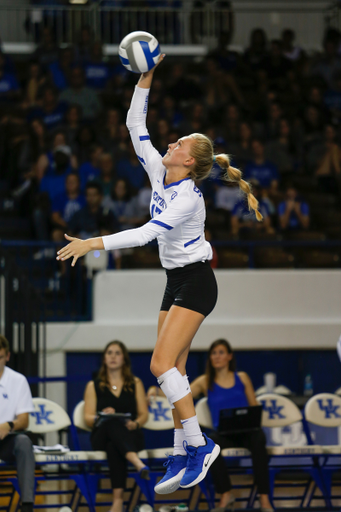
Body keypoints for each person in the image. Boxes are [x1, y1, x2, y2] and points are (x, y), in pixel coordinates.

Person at [56, 54, 262, 493]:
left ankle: (198, 446)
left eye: (181, 143)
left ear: (190, 162)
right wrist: (146, 76)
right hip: (175, 281)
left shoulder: (188, 198)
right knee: (177, 373)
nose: (172, 144)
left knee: (158, 364)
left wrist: (93, 242)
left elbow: (148, 233)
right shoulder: (158, 172)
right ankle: (181, 451)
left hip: (198, 281)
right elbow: (135, 125)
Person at [149, 339, 273, 512]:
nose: (217, 356)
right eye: (213, 353)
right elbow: (178, 395)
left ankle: (265, 499)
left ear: (230, 356)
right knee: (210, 445)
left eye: (221, 352)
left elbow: (254, 407)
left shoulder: (242, 377)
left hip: (247, 432)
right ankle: (226, 494)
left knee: (259, 438)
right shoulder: (204, 381)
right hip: (222, 434)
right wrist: (156, 391)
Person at [84, 340, 149, 512]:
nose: (113, 356)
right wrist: (101, 416)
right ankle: (136, 462)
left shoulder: (135, 383)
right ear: (104, 359)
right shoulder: (93, 385)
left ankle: (117, 502)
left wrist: (135, 423)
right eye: (109, 353)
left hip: (130, 434)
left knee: (114, 447)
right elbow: (87, 418)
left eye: (117, 353)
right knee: (111, 422)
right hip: (101, 434)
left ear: (124, 359)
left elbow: (143, 415)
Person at [0, 335, 35, 512]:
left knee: (24, 442)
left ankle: (27, 505)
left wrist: (8, 425)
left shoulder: (18, 380)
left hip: (7, 440)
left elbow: (24, 420)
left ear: (7, 356)